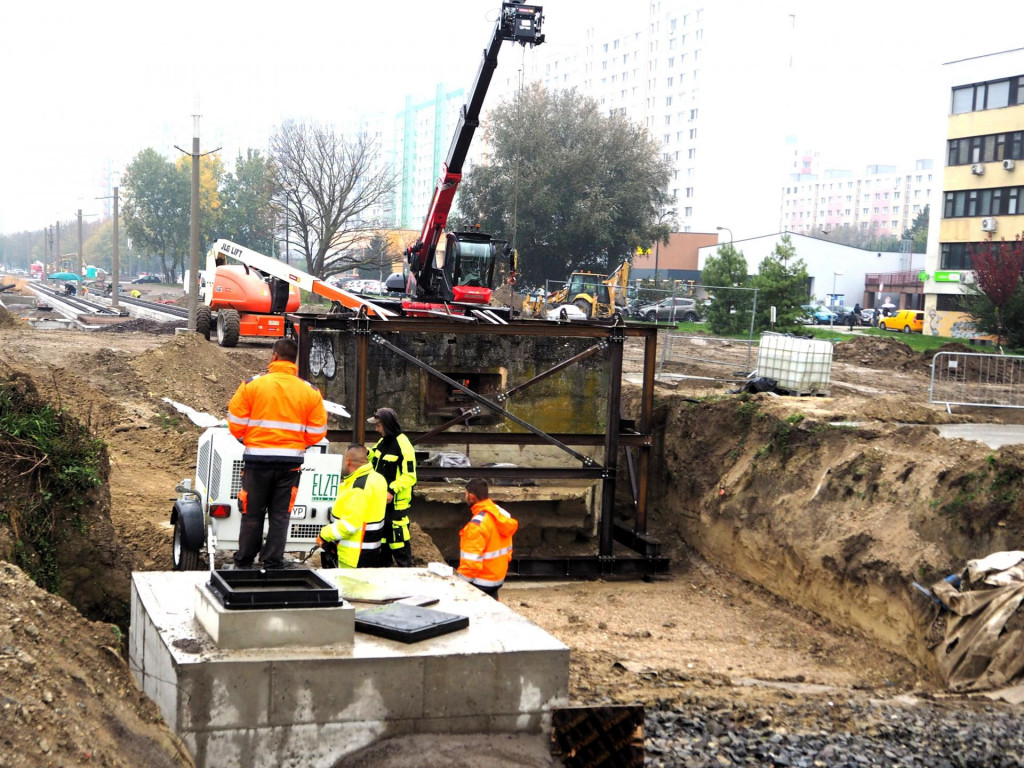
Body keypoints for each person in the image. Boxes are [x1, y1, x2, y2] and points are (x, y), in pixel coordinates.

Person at [227, 337, 327, 569]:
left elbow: (235, 422)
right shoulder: (310, 391)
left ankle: (244, 561)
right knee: (280, 515)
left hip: (257, 461)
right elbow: (317, 431)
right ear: (295, 362)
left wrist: (249, 440)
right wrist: (297, 445)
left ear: (274, 357)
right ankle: (272, 561)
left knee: (252, 513)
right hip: (289, 465)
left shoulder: (252, 385)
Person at [317, 444, 388, 568]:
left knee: (347, 587)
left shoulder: (359, 487)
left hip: (353, 557)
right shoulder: (378, 479)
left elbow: (349, 525)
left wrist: (323, 534)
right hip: (371, 551)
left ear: (348, 461)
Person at [367, 407, 417, 567]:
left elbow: (410, 476)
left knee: (398, 539)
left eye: (379, 425)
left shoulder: (403, 444)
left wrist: (392, 490)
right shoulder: (383, 441)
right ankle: (384, 566)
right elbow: (373, 456)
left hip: (396, 502)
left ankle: (405, 569)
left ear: (387, 424)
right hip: (381, 501)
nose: (376, 429)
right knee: (383, 537)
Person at [457, 479, 518, 600]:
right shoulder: (501, 514)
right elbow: (507, 549)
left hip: (481, 582)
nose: (465, 497)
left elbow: (470, 564)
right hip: (497, 578)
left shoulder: (476, 526)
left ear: (471, 496)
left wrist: (458, 585)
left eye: (465, 494)